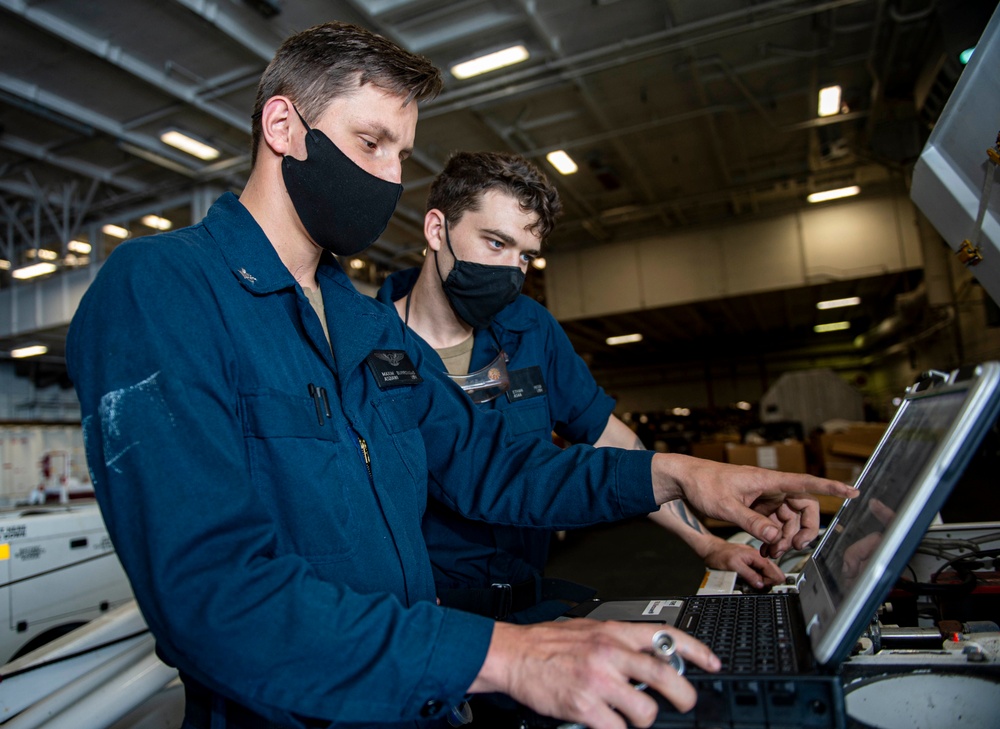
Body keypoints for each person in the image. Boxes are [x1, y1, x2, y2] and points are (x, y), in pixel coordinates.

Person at [66, 21, 857, 729]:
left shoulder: (368, 326)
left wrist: (679, 474)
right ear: (283, 125)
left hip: (423, 698)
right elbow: (212, 595)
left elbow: (490, 465)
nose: (388, 176)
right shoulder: (162, 291)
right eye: (371, 142)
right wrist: (509, 656)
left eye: (402, 155)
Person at [377, 152, 786, 625]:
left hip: (526, 598)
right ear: (436, 230)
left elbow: (608, 437)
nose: (513, 273)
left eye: (525, 256)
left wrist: (707, 541)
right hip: (424, 614)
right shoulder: (370, 346)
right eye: (495, 243)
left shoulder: (531, 329)